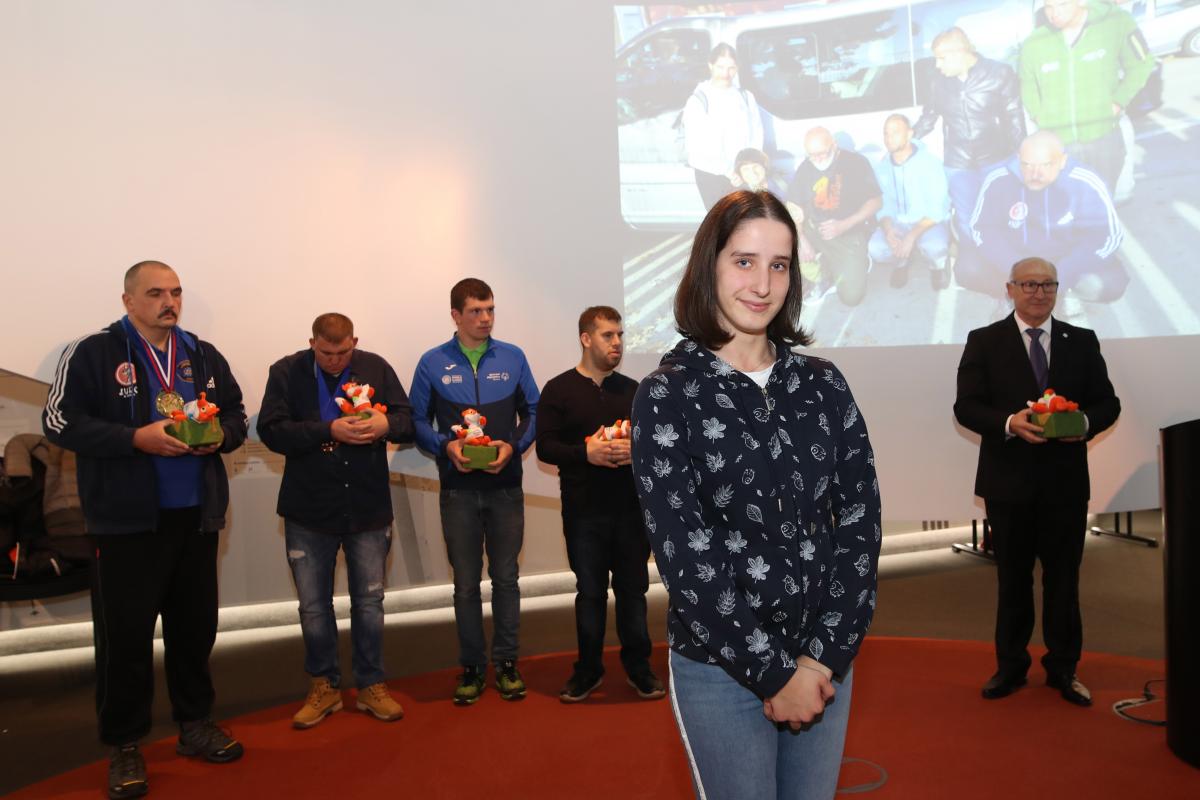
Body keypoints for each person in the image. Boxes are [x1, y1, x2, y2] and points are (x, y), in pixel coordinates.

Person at [631, 191, 881, 799]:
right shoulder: (667, 395)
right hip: (722, 672)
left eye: (779, 265)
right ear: (709, 265)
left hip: (824, 664)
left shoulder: (823, 384)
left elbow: (860, 521)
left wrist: (822, 658)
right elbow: (687, 558)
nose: (762, 284)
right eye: (744, 261)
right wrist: (775, 675)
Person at [42, 260, 247, 799]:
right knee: (125, 640)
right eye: (155, 293)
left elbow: (236, 415)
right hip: (126, 524)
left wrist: (220, 437)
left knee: (194, 631)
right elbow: (59, 422)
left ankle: (195, 723)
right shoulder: (92, 352)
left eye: (175, 292)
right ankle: (124, 743)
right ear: (128, 300)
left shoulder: (201, 354)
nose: (169, 302)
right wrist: (136, 439)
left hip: (195, 518)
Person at [954, 256, 1120, 707]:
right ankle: (1010, 667)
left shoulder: (1081, 341)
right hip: (1008, 485)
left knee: (1064, 582)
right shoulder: (984, 340)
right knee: (1013, 581)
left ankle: (1064, 668)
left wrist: (1080, 422)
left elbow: (1108, 403)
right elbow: (966, 406)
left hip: (1065, 486)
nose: (1038, 293)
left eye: (1047, 284)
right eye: (1028, 284)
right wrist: (1010, 422)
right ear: (1010, 289)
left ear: (1057, 290)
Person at [257, 313, 414, 728]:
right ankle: (323, 686)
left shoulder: (375, 367)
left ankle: (371, 684)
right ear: (312, 343)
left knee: (369, 603)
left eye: (343, 352)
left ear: (354, 343)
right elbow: (271, 430)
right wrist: (328, 430)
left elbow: (408, 421)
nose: (334, 360)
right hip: (308, 508)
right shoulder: (286, 371)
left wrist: (385, 424)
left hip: (367, 505)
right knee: (313, 606)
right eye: (326, 352)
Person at [410, 278, 539, 705]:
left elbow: (534, 411)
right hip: (458, 492)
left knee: (506, 579)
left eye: (490, 310)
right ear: (456, 315)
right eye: (476, 311)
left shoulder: (513, 357)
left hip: (506, 488)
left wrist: (514, 445)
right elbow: (415, 420)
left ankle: (507, 663)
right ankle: (471, 667)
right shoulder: (432, 362)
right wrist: (444, 446)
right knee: (465, 585)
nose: (485, 318)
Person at [535, 306, 664, 704]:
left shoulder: (634, 390)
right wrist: (585, 452)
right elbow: (545, 447)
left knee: (633, 591)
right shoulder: (558, 390)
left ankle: (639, 668)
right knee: (589, 593)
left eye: (620, 335)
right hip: (584, 513)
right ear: (586, 338)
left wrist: (636, 449)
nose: (617, 343)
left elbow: (656, 441)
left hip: (631, 512)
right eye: (608, 335)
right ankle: (588, 671)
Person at [965, 130, 1128, 305]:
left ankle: (1062, 294)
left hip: (1065, 259)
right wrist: (1015, 268)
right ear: (1018, 159)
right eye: (1027, 165)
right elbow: (983, 228)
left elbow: (1107, 235)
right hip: (1018, 258)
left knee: (1111, 284)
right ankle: (1014, 295)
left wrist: (1062, 274)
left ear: (1063, 161)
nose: (1035, 174)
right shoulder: (998, 179)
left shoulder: (1085, 182)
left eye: (1046, 165)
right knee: (968, 269)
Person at [1020, 0, 1154, 193]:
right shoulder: (1034, 42)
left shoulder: (1116, 21)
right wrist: (1039, 116)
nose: (1054, 13)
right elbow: (1027, 85)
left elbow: (1142, 64)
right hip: (1059, 144)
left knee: (1103, 197)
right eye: (1048, 7)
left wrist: (1119, 101)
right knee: (1066, 203)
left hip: (1103, 137)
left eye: (1062, 5)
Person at [912, 26, 1025, 249]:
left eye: (941, 58)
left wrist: (1024, 154)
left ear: (959, 53)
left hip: (996, 158)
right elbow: (929, 116)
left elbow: (1014, 116)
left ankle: (1011, 259)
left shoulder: (999, 73)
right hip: (958, 163)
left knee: (1006, 214)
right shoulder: (937, 81)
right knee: (967, 219)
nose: (937, 65)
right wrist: (908, 141)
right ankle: (976, 258)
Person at [785, 127, 882, 306]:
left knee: (851, 298)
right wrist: (802, 239)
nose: (817, 159)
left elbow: (876, 202)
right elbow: (793, 205)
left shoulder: (856, 163)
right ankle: (824, 275)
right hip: (814, 229)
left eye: (822, 153)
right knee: (785, 240)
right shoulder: (806, 166)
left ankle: (859, 261)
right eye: (811, 155)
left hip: (848, 232)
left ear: (834, 145)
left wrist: (844, 224)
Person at [869, 114, 952, 289]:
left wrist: (911, 236)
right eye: (886, 133)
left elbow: (938, 208)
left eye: (895, 132)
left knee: (934, 246)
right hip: (899, 223)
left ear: (909, 134)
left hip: (927, 222)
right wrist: (888, 229)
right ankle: (901, 263)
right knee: (875, 248)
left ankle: (936, 267)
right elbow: (883, 206)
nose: (889, 138)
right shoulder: (882, 168)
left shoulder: (930, 163)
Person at [682, 43, 764, 210]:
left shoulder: (746, 97)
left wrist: (750, 168)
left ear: (737, 68)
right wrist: (728, 171)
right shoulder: (698, 100)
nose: (726, 74)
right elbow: (695, 150)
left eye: (731, 68)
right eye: (720, 67)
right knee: (722, 223)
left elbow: (757, 133)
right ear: (710, 65)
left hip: (744, 175)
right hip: (713, 178)